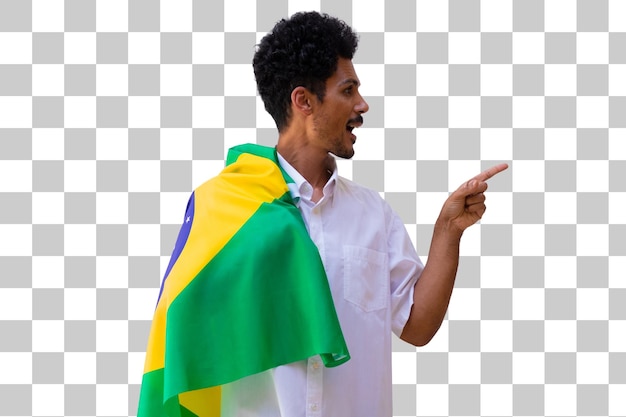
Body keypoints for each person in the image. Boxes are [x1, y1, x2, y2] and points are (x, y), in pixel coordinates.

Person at [138, 11, 508, 417]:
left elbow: (418, 327)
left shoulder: (374, 215)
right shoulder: (222, 207)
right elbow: (180, 330)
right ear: (304, 101)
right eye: (347, 90)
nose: (362, 105)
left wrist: (448, 231)